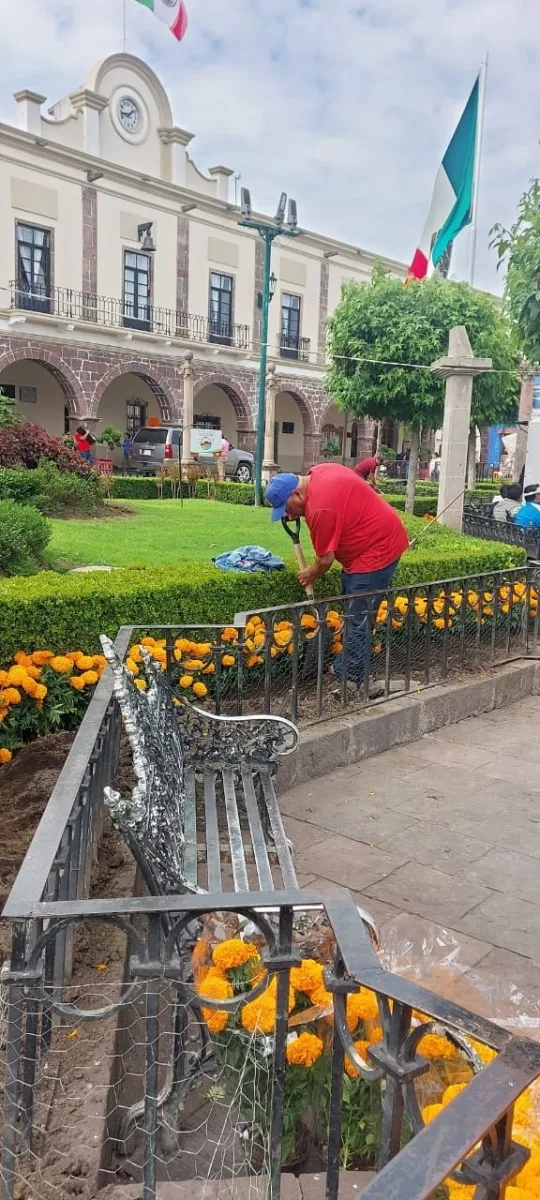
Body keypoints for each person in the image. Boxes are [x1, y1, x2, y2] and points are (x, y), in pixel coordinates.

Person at [265, 464, 409, 688]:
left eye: (286, 507)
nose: (287, 514)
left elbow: (325, 560)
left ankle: (350, 680)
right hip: (375, 542)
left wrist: (311, 574)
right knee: (356, 611)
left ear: (296, 494)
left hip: (377, 550)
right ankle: (357, 667)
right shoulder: (319, 472)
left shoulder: (320, 509)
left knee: (358, 615)